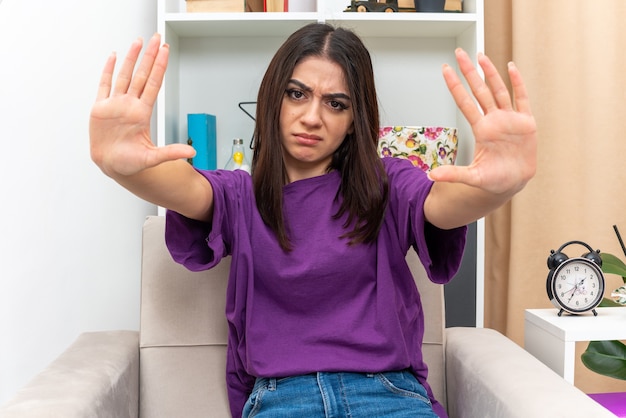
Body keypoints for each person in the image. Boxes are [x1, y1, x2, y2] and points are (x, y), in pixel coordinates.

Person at [90, 23, 536, 418]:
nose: (312, 117)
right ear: (273, 97)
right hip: (282, 399)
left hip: (389, 395)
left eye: (336, 103)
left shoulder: (387, 182)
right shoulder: (238, 194)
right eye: (297, 93)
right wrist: (122, 164)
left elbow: (443, 205)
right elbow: (184, 188)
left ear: (354, 120)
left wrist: (497, 186)